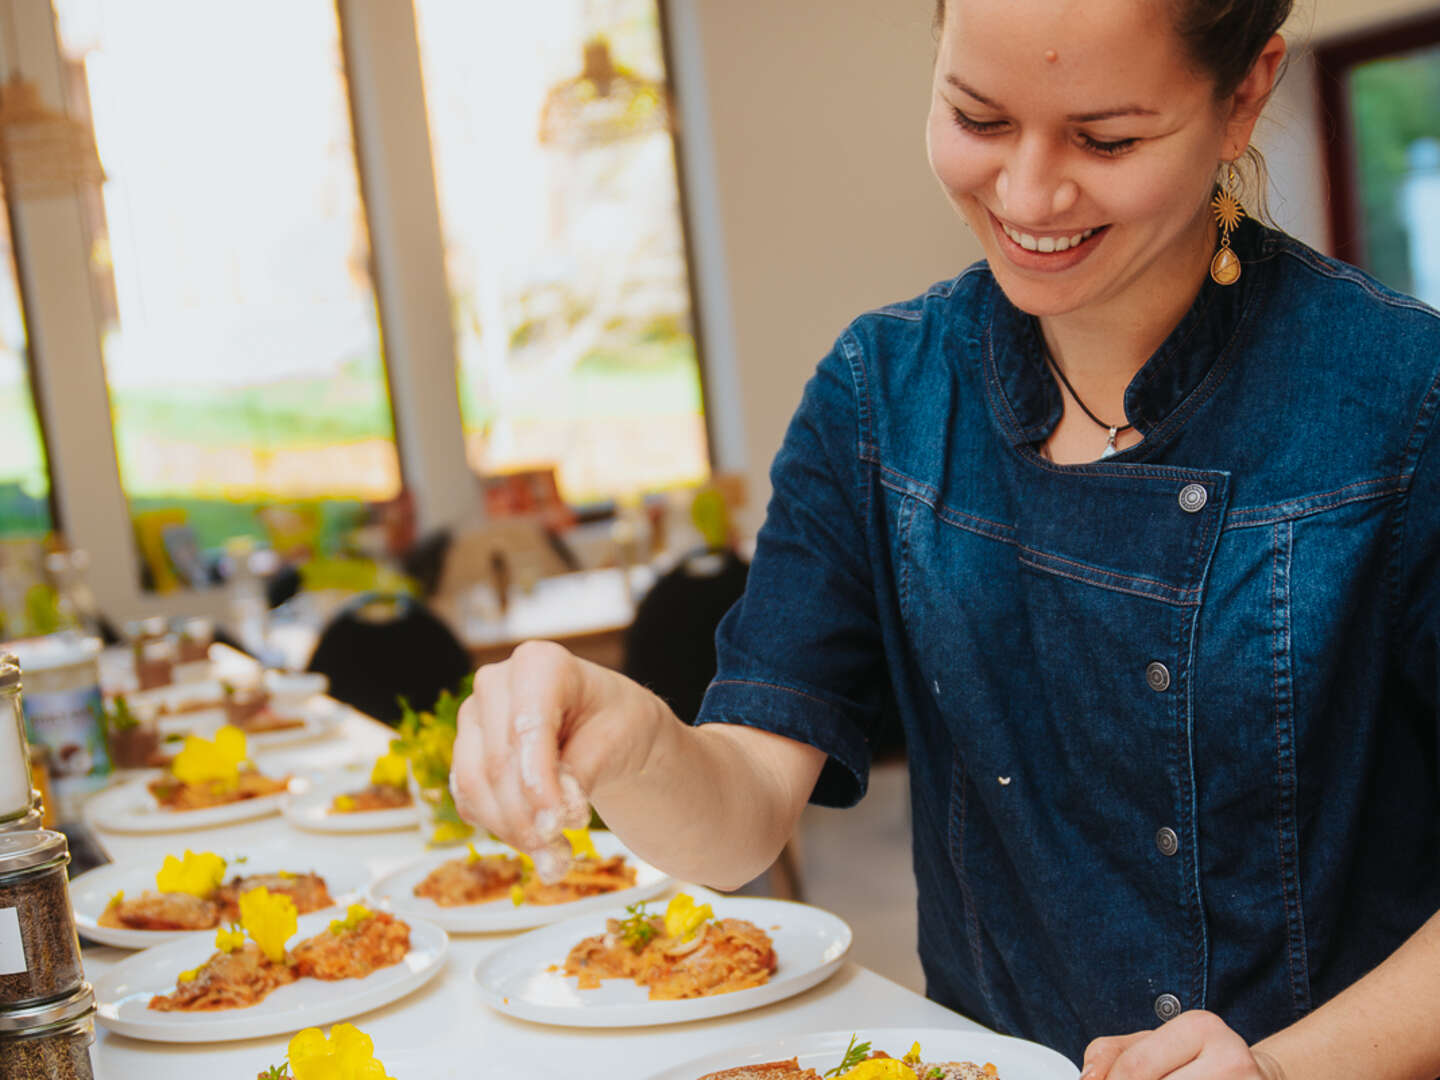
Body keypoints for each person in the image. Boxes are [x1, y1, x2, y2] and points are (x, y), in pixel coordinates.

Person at [450, 0, 1440, 1075]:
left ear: (1244, 93)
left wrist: (1282, 1069)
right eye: (978, 118)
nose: (1028, 194)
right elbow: (740, 820)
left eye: (1106, 139)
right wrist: (629, 742)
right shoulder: (882, 396)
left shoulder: (1403, 401)